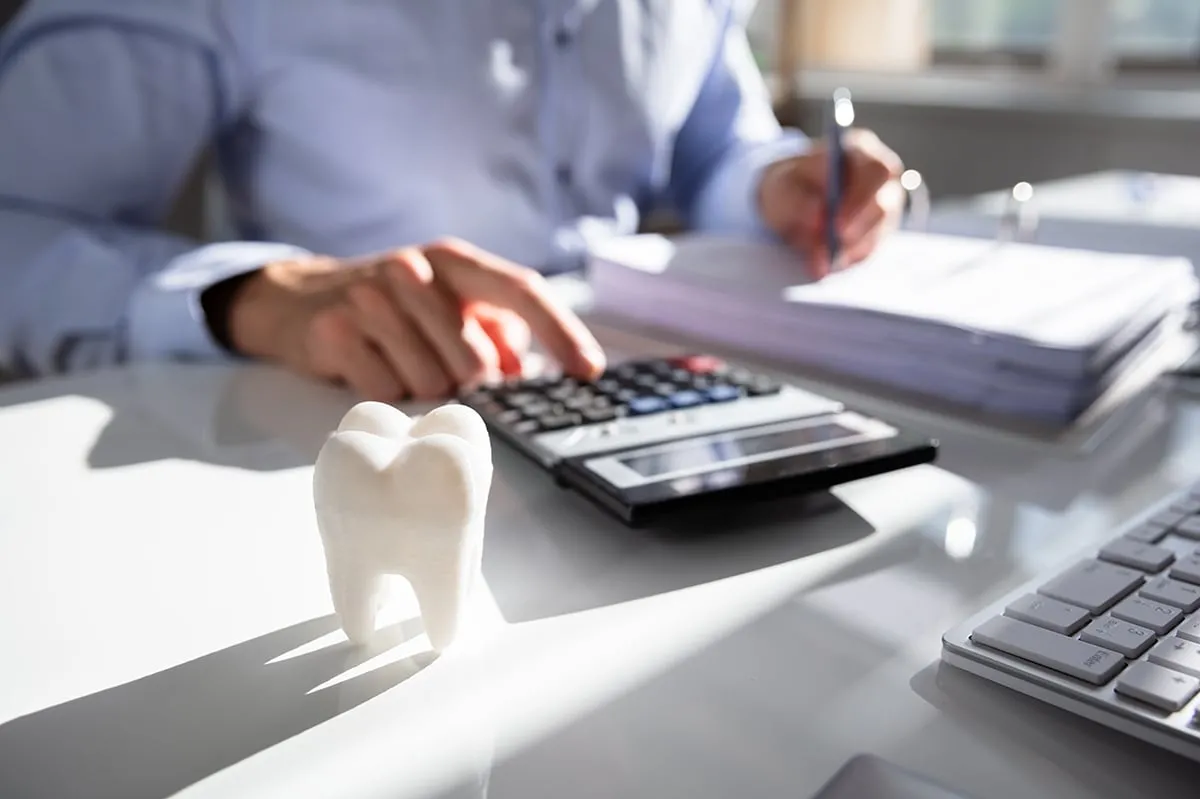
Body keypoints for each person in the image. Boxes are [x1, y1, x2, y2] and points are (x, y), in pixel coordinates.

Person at [0, 0, 905, 401]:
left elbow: (712, 151)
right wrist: (251, 297)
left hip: (638, 393)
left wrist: (776, 186)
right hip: (330, 420)